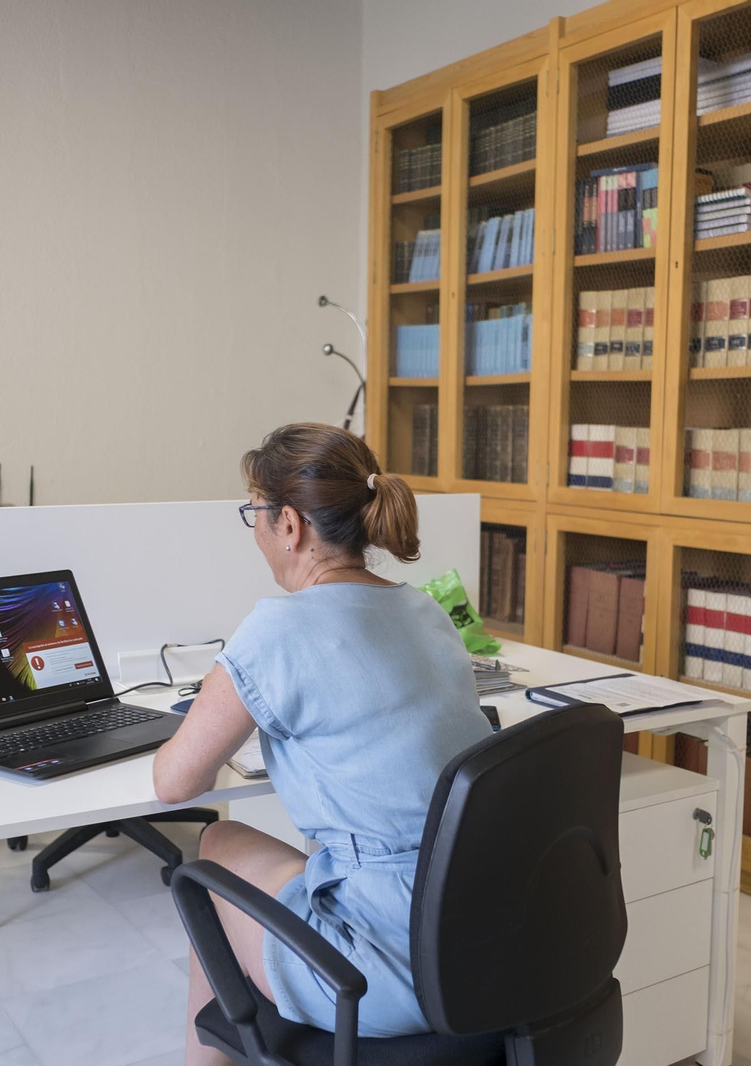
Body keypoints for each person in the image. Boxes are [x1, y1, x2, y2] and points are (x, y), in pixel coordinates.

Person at [153, 422, 492, 1062]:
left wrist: (217, 699)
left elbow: (175, 783)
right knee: (282, 855)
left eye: (254, 512)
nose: (254, 530)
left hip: (387, 966)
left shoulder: (277, 630)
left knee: (211, 850)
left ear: (289, 525)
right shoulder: (426, 610)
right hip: (482, 934)